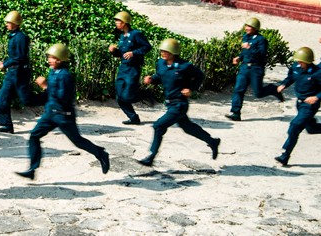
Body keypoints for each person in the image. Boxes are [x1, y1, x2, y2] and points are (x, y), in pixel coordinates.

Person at [16, 43, 110, 180]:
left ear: (59, 59)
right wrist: (30, 99)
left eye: (52, 57)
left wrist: (45, 86)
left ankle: (101, 153)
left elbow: (63, 98)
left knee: (77, 141)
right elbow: (49, 96)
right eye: (49, 57)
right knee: (34, 136)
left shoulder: (66, 76)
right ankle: (32, 169)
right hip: (50, 113)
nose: (49, 59)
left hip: (63, 115)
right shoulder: (53, 72)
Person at [137, 38, 221, 167]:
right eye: (162, 51)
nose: (163, 53)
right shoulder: (161, 63)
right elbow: (161, 76)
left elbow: (200, 76)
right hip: (170, 103)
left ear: (173, 52)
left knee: (159, 126)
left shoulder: (184, 66)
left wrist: (191, 89)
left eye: (166, 51)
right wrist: (151, 79)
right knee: (188, 127)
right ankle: (212, 141)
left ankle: (151, 157)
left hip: (179, 104)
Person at [274, 47, 321, 166]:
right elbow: (291, 77)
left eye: (301, 62)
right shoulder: (296, 68)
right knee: (311, 128)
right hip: (299, 103)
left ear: (307, 62)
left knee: (295, 126)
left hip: (310, 105)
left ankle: (285, 155)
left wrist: (317, 97)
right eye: (298, 61)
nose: (298, 64)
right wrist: (283, 85)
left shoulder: (318, 72)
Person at [226, 17, 284, 122]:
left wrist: (250, 48)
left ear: (255, 28)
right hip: (244, 67)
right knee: (238, 89)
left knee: (258, 93)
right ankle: (235, 112)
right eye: (246, 26)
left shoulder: (261, 40)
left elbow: (262, 55)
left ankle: (273, 90)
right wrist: (239, 57)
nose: (247, 28)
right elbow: (244, 52)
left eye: (249, 26)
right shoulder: (245, 37)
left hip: (256, 68)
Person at [108, 11, 153, 125]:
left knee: (127, 96)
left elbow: (147, 47)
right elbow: (122, 54)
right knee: (119, 97)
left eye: (118, 21)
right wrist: (114, 51)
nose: (116, 23)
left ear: (124, 22)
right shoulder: (122, 36)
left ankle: (145, 94)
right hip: (123, 68)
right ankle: (133, 118)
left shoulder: (136, 34)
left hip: (133, 68)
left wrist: (134, 53)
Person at [0, 11, 33, 134]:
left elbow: (20, 57)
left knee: (26, 99)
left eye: (9, 22)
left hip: (19, 73)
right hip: (12, 72)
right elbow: (15, 56)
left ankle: (51, 99)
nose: (6, 24)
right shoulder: (13, 36)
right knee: (2, 97)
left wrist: (4, 64)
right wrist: (5, 63)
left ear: (15, 24)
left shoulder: (21, 38)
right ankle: (6, 125)